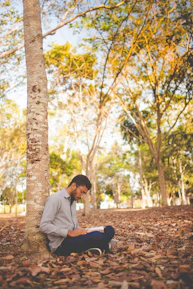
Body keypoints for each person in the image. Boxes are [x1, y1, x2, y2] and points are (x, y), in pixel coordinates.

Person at [40, 174, 115, 256]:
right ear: (73, 185)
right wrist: (69, 233)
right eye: (82, 192)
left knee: (109, 229)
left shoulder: (72, 201)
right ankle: (103, 245)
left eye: (84, 194)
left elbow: (73, 226)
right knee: (97, 236)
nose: (81, 196)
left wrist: (83, 231)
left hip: (74, 238)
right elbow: (44, 225)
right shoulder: (55, 199)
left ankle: (99, 246)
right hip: (61, 244)